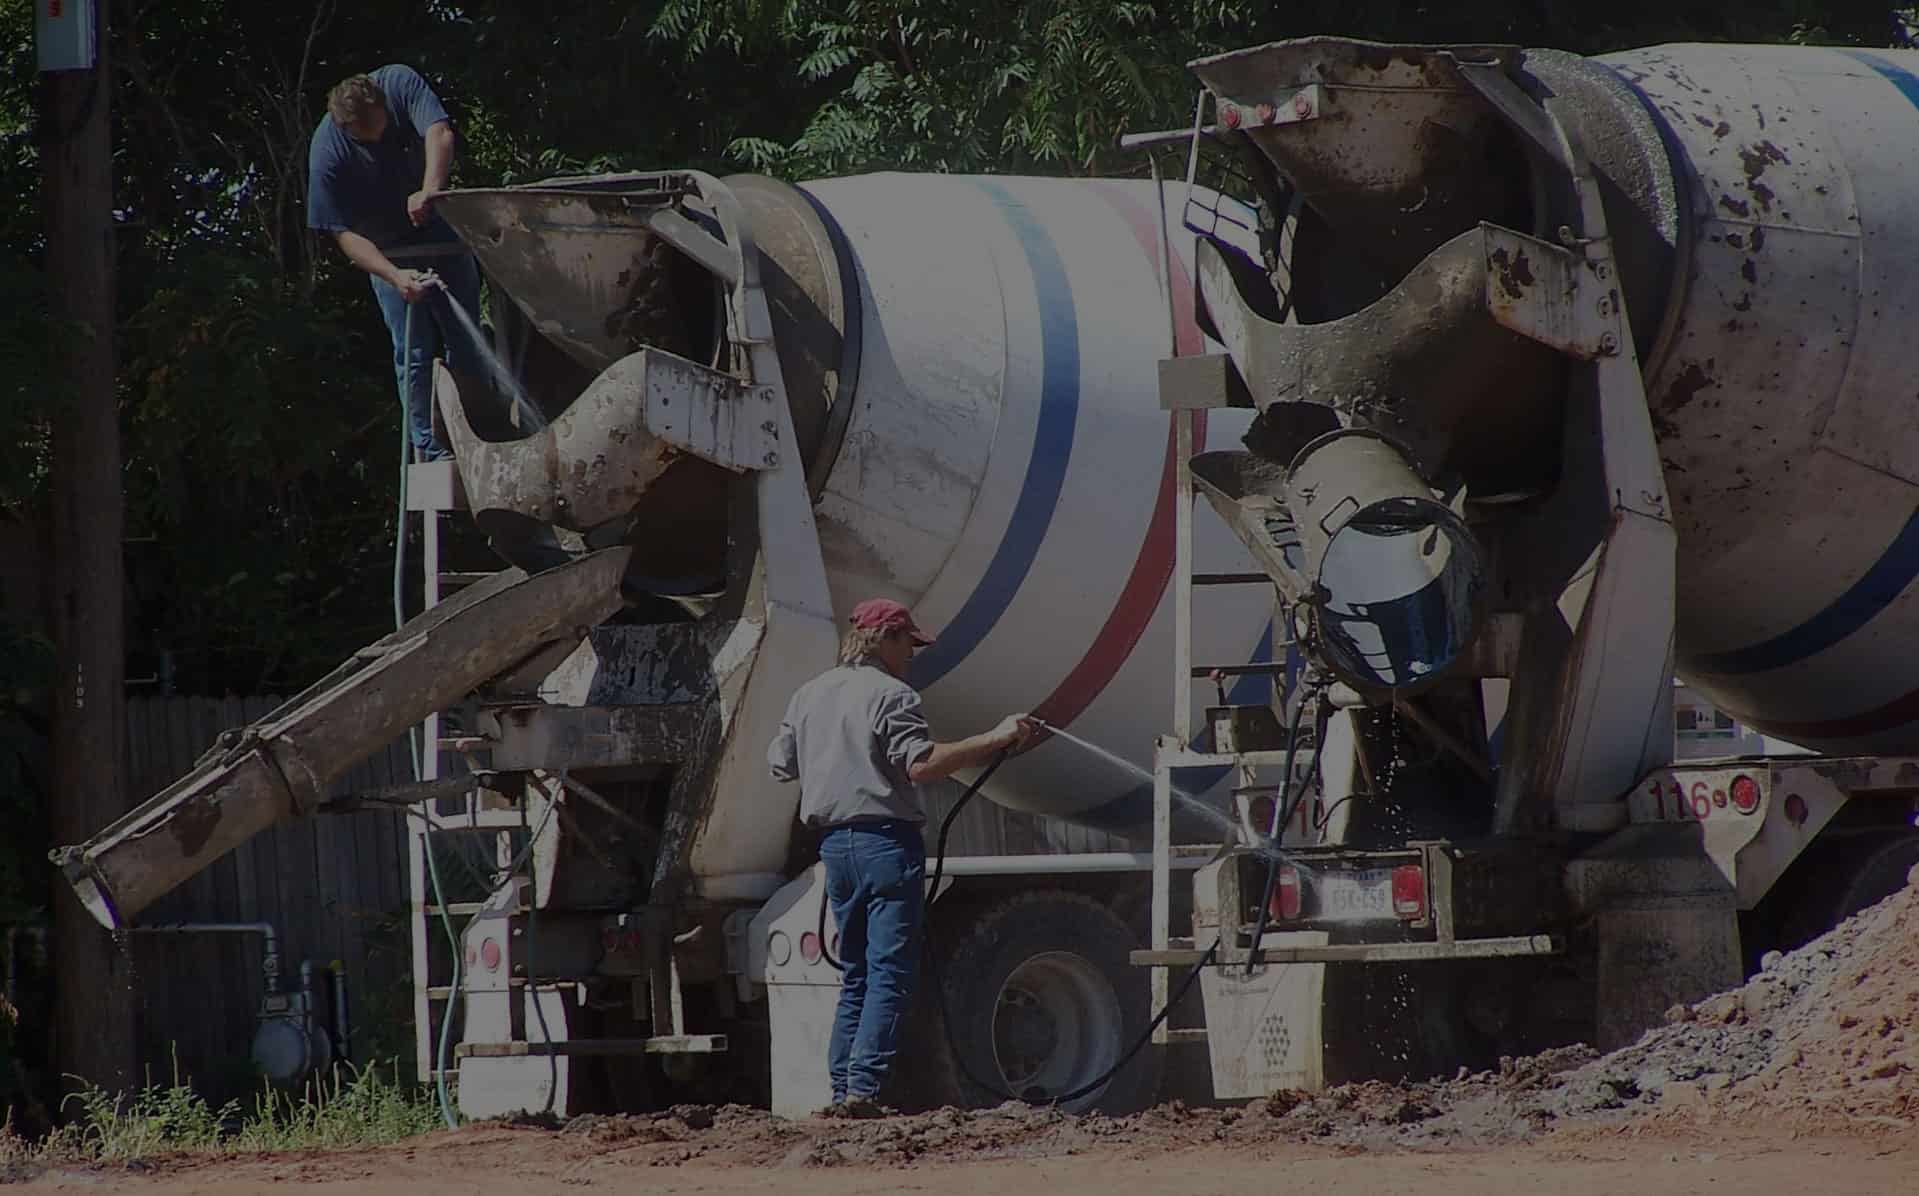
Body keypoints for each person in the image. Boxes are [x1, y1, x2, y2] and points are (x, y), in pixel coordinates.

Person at [767, 598, 1036, 1118]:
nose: (911, 654)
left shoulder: (808, 695)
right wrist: (998, 737)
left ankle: (843, 1091)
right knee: (889, 972)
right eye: (907, 643)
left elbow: (780, 765)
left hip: (835, 847)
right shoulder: (893, 695)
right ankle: (863, 1092)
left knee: (857, 973)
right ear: (885, 637)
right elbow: (922, 765)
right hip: (885, 844)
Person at [307, 65, 483, 461]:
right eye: (368, 138)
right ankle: (431, 447)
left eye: (382, 128)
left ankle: (476, 432)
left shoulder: (400, 84)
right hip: (388, 252)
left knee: (468, 338)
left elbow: (439, 132)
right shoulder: (326, 151)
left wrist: (430, 190)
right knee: (414, 354)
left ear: (382, 102)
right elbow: (342, 233)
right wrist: (393, 276)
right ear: (346, 129)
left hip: (442, 236)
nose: (380, 138)